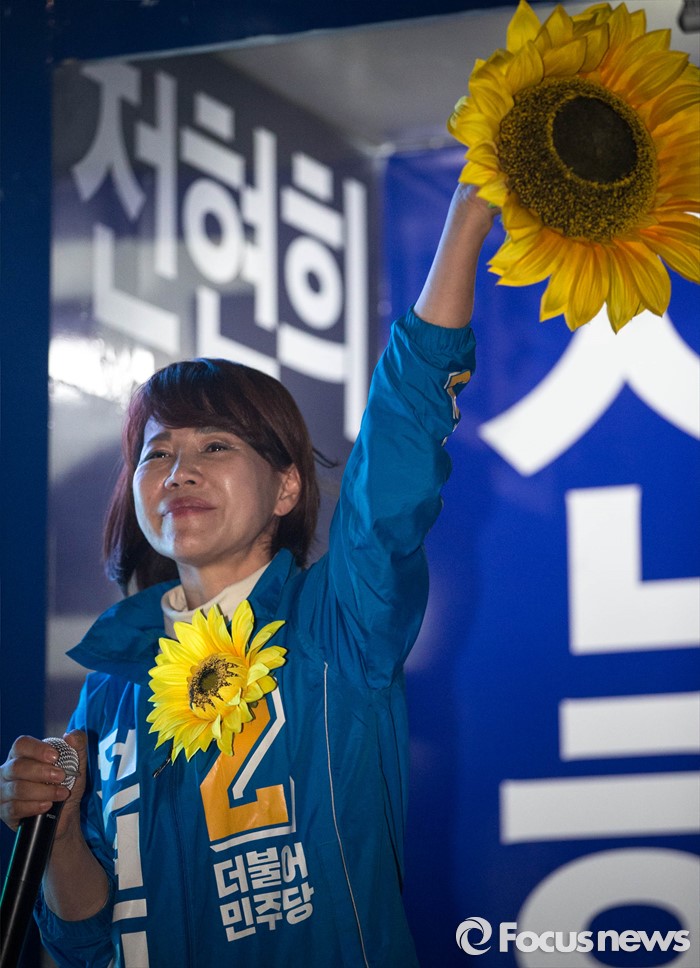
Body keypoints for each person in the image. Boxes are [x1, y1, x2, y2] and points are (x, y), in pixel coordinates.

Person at [1, 184, 495, 967]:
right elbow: (90, 946)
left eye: (216, 446)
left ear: (287, 487)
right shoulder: (111, 691)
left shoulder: (337, 624)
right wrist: (58, 838)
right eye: (158, 453)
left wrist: (467, 217)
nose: (179, 471)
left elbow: (399, 446)